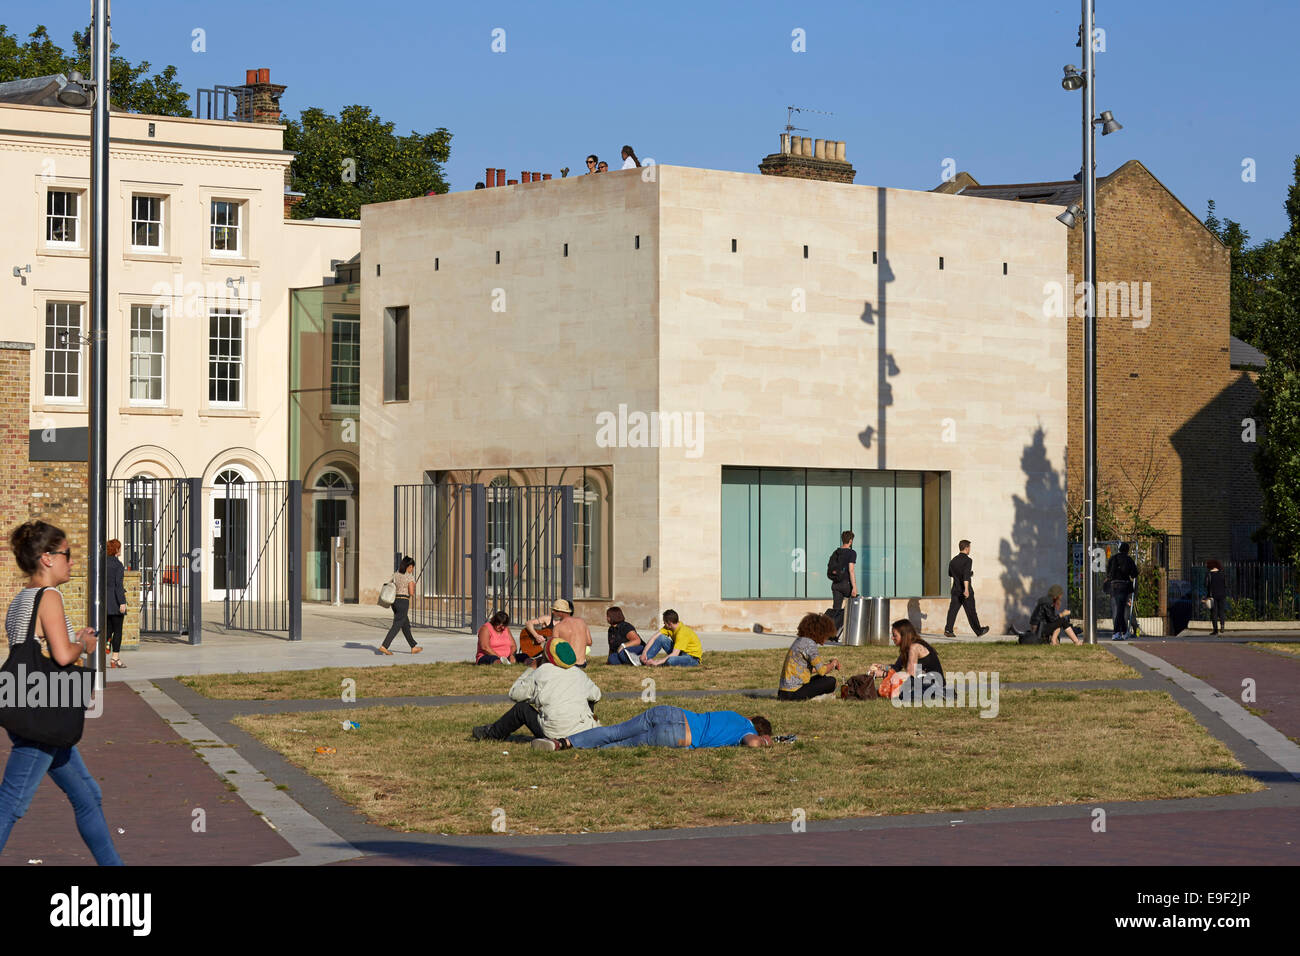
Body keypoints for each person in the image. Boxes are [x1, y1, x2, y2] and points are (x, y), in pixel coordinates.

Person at [0, 520, 123, 865]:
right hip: (43, 712)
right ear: (47, 558)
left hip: (32, 705)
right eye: (67, 554)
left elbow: (36, 647)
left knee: (87, 795)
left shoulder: (22, 597)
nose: (72, 562)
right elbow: (62, 655)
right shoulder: (49, 596)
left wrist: (73, 641)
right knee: (12, 802)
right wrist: (83, 644)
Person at [472, 638, 601, 742]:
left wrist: (531, 668)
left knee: (521, 709)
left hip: (554, 733)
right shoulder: (579, 673)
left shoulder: (542, 672)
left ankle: (491, 733)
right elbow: (596, 695)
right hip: (584, 731)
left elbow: (515, 693)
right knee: (589, 698)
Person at [533, 706, 772, 751]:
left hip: (672, 712)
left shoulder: (734, 715)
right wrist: (767, 742)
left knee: (615, 730)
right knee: (620, 746)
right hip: (679, 735)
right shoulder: (746, 731)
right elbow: (751, 742)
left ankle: (562, 742)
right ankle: (593, 750)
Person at [868, 619, 946, 700]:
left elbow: (909, 675)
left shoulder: (914, 647)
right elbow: (896, 668)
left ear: (904, 635)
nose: (892, 638)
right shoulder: (906, 648)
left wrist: (883, 674)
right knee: (895, 692)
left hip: (932, 684)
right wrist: (881, 667)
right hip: (921, 682)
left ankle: (940, 692)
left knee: (901, 695)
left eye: (895, 635)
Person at [779, 612, 840, 700]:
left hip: (783, 693)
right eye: (826, 636)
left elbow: (807, 669)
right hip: (794, 693)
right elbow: (822, 671)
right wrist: (833, 664)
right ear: (820, 633)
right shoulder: (810, 644)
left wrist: (829, 666)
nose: (825, 639)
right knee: (831, 681)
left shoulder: (800, 640)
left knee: (822, 678)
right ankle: (816, 698)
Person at [524, 598, 591, 667]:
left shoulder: (558, 627)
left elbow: (553, 649)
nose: (552, 612)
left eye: (555, 610)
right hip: (582, 664)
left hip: (567, 664)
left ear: (561, 612)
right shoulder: (582, 621)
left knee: (537, 661)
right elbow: (589, 642)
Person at [944, 539, 989, 637]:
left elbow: (950, 574)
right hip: (965, 590)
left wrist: (967, 574)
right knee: (971, 611)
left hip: (955, 590)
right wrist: (966, 589)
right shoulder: (968, 560)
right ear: (966, 548)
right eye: (969, 548)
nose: (970, 550)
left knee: (952, 610)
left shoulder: (953, 561)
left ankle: (948, 630)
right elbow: (965, 576)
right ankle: (979, 631)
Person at [378, 557, 422, 655]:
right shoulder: (409, 577)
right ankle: (384, 646)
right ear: (409, 566)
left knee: (405, 625)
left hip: (395, 602)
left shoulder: (396, 574)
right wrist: (413, 587)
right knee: (397, 625)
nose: (412, 570)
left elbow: (390, 585)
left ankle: (413, 646)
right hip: (403, 601)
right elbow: (411, 592)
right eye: (412, 568)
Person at [1105, 543, 1139, 641]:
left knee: (1117, 609)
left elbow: (1108, 572)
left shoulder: (1113, 559)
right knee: (1121, 610)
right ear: (1127, 550)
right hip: (1124, 586)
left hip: (1113, 586)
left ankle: (1123, 631)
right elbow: (1134, 574)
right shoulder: (1129, 560)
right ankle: (1117, 632)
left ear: (1119, 549)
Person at [105, 538, 127, 669]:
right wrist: (122, 602)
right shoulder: (118, 565)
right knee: (118, 631)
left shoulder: (102, 564)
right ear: (116, 550)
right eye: (119, 548)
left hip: (104, 601)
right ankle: (115, 659)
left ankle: (106, 642)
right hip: (115, 601)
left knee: (108, 628)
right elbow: (119, 586)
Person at [829, 530, 858, 619]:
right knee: (855, 603)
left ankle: (834, 629)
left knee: (836, 609)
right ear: (851, 541)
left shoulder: (835, 552)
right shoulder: (851, 553)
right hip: (846, 584)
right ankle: (849, 624)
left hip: (836, 584)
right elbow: (851, 570)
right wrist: (854, 587)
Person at [1207, 559, 1228, 635]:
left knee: (1214, 613)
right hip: (1222, 595)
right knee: (1221, 611)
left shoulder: (1209, 574)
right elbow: (1226, 584)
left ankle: (1215, 630)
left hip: (1213, 596)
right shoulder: (1222, 573)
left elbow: (1206, 584)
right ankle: (1222, 626)